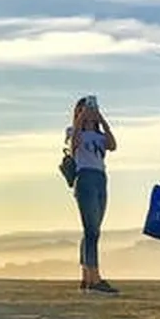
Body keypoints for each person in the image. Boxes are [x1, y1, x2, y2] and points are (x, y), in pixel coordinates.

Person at [65, 96, 118, 295]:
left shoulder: (99, 136)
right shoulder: (73, 131)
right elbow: (74, 144)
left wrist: (101, 119)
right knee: (91, 230)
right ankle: (95, 278)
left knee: (93, 229)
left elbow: (112, 145)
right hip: (84, 177)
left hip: (100, 177)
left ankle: (87, 277)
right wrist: (81, 119)